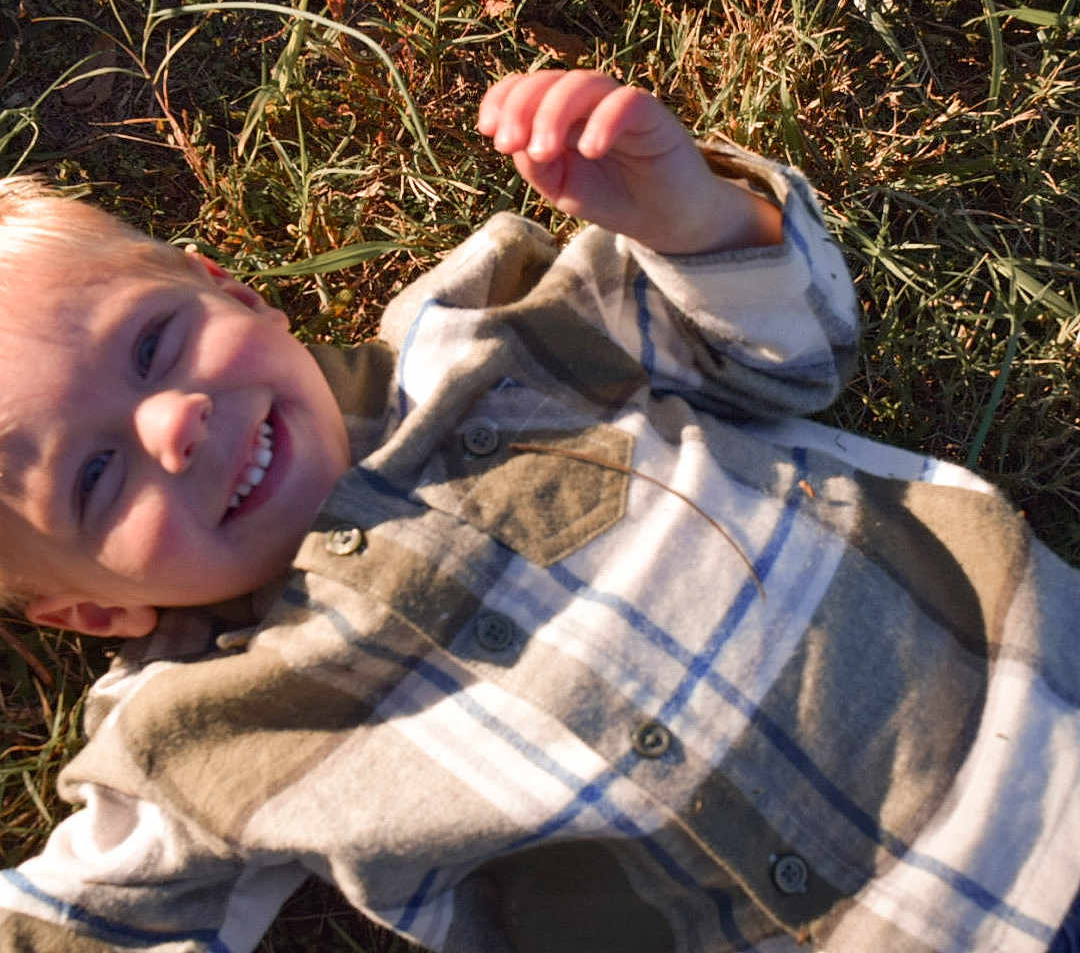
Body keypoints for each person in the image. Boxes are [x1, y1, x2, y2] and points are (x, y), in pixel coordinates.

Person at [0, 70, 1077, 953]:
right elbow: (75, 925)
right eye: (94, 478)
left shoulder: (489, 339)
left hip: (1046, 715)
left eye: (152, 348)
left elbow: (795, 353)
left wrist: (690, 213)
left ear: (228, 288)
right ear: (92, 613)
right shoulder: (190, 739)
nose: (175, 426)